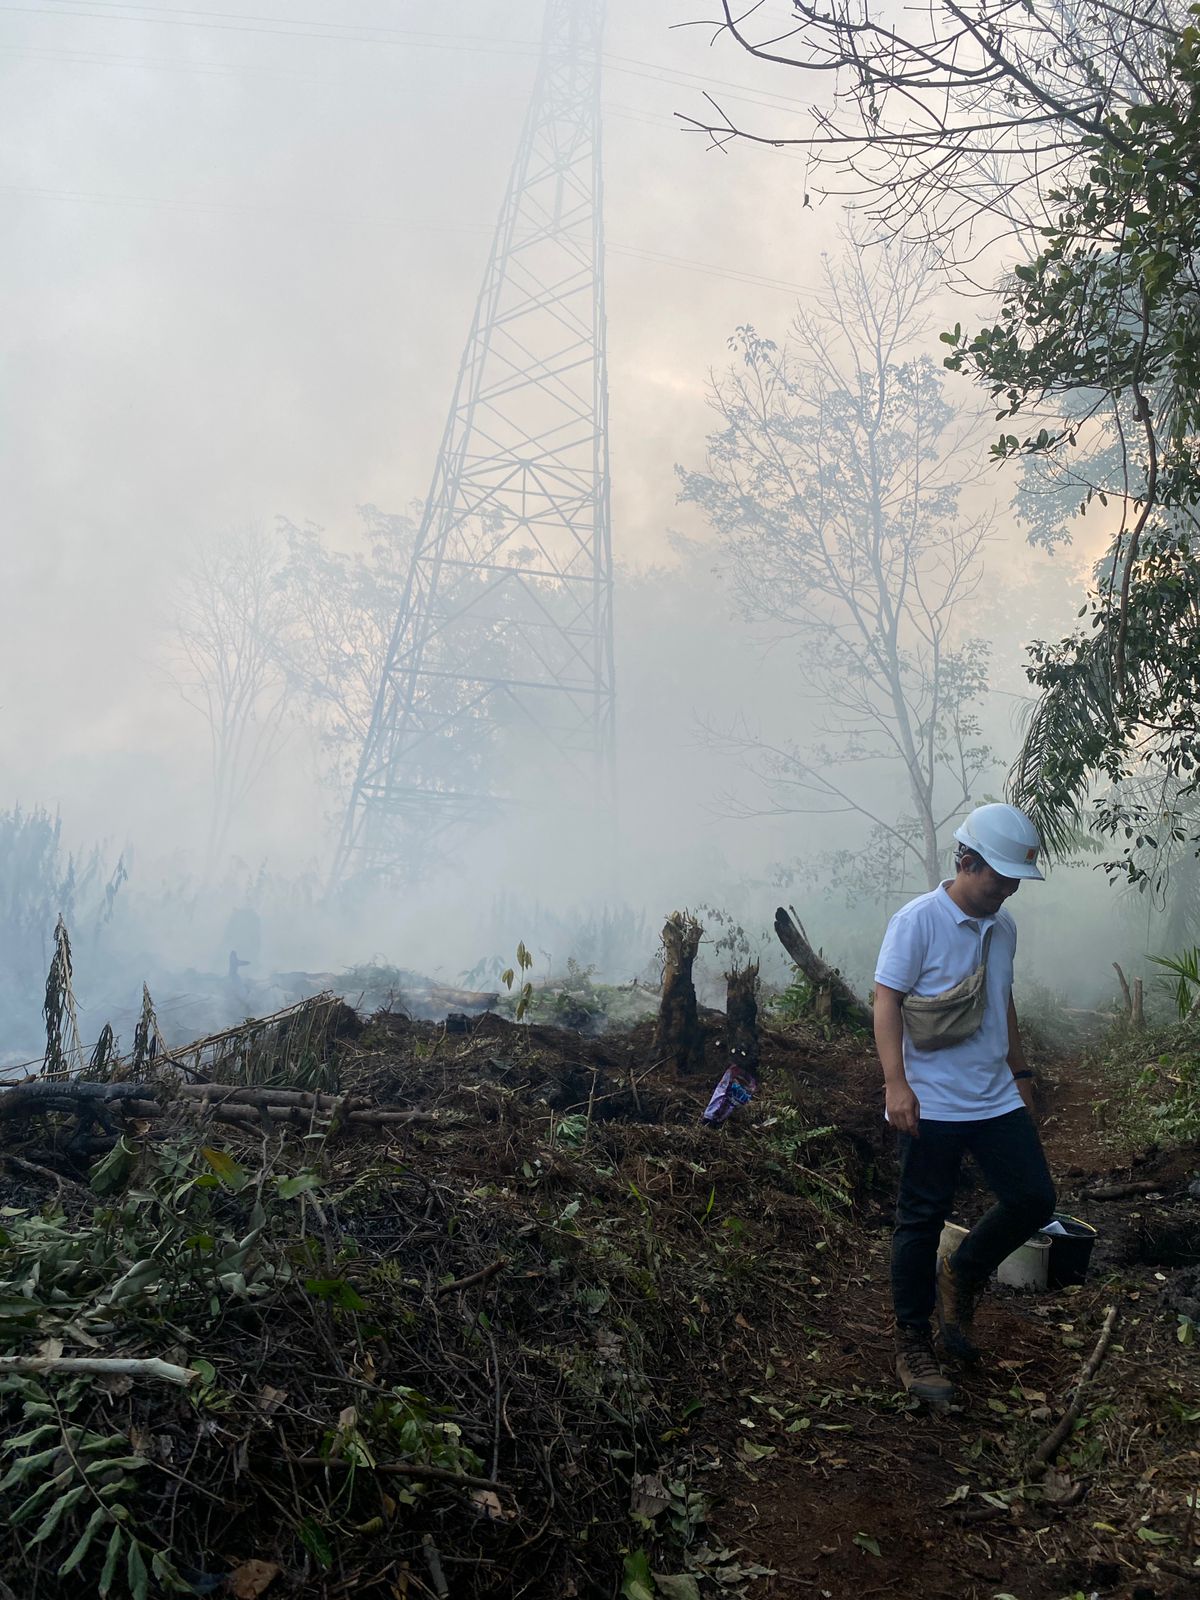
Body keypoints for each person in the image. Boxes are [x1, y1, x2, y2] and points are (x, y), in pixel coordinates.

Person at [873, 803, 1057, 1405]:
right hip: (933, 1102)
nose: (1005, 891)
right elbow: (886, 1000)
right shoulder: (918, 921)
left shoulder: (1002, 928)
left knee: (1033, 1197)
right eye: (996, 878)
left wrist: (1020, 1071)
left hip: (994, 1095)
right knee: (921, 1218)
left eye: (1012, 882)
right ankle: (912, 1341)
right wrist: (896, 1084)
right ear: (966, 861)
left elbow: (1000, 1001)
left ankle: (965, 1271)